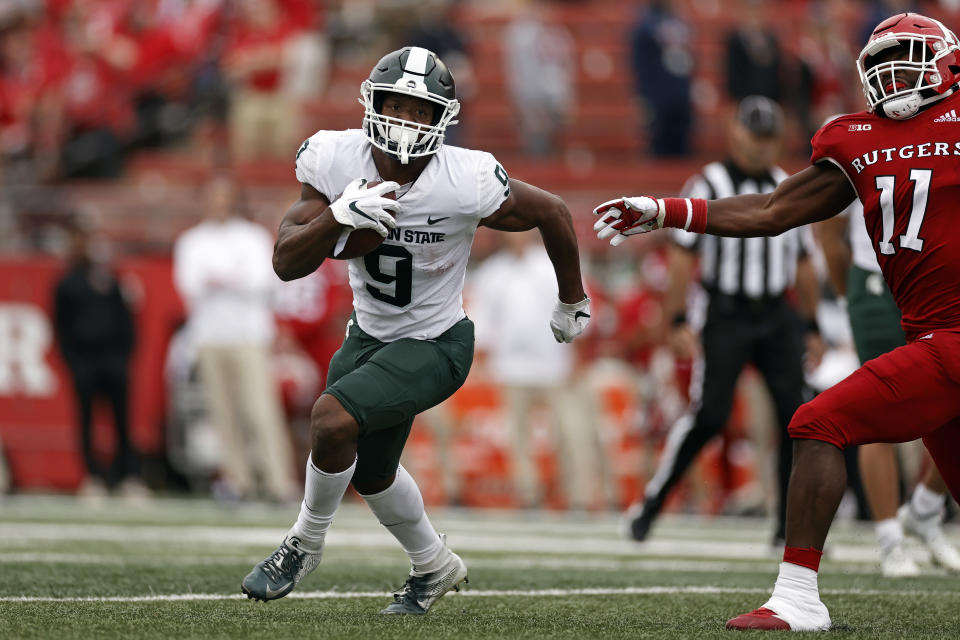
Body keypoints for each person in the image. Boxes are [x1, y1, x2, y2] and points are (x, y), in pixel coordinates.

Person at [592, 13, 960, 631]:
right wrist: (665, 210)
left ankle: (797, 596)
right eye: (882, 64)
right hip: (925, 333)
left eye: (909, 58)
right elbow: (771, 208)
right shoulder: (858, 138)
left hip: (951, 337)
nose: (893, 74)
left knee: (817, 421)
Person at [240, 46, 590, 613]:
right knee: (373, 475)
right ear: (372, 104)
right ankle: (434, 566)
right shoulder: (334, 159)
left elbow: (551, 210)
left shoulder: (465, 179)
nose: (405, 121)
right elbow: (284, 262)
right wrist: (338, 215)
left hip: (436, 343)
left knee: (330, 420)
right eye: (396, 105)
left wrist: (572, 297)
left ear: (443, 119)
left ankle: (303, 544)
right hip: (368, 335)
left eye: (420, 111)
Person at [623, 96, 823, 547]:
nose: (761, 146)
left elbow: (805, 261)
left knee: (795, 418)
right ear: (736, 132)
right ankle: (652, 505)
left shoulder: (786, 183)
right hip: (725, 313)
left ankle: (785, 525)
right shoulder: (708, 182)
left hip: (776, 313)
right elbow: (681, 253)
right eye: (755, 135)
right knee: (709, 415)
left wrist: (811, 326)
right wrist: (677, 318)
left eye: (770, 137)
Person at [818, 194, 960, 577]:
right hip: (878, 282)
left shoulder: (947, 132)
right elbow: (828, 232)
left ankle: (926, 508)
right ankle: (889, 538)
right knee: (878, 404)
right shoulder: (853, 135)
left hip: (941, 281)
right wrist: (853, 297)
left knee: (953, 398)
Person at [173, 174, 297, 503]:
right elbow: (190, 284)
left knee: (260, 410)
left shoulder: (253, 237)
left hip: (249, 336)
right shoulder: (192, 241)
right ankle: (237, 480)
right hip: (210, 336)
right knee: (223, 413)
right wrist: (231, 280)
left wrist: (220, 280)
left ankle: (277, 481)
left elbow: (261, 281)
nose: (219, 203)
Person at [471, 231, 610, 511]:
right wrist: (483, 358)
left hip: (555, 365)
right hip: (509, 367)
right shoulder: (493, 272)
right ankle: (528, 495)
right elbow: (482, 318)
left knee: (572, 432)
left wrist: (577, 353)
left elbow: (578, 306)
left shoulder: (552, 265)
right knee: (517, 437)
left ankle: (578, 495)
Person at [53, 226, 143, 497]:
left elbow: (127, 322)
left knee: (123, 422)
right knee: (86, 421)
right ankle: (92, 477)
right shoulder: (66, 283)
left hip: (113, 361)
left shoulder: (112, 280)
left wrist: (124, 357)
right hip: (85, 363)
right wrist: (74, 363)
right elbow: (60, 326)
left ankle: (128, 476)